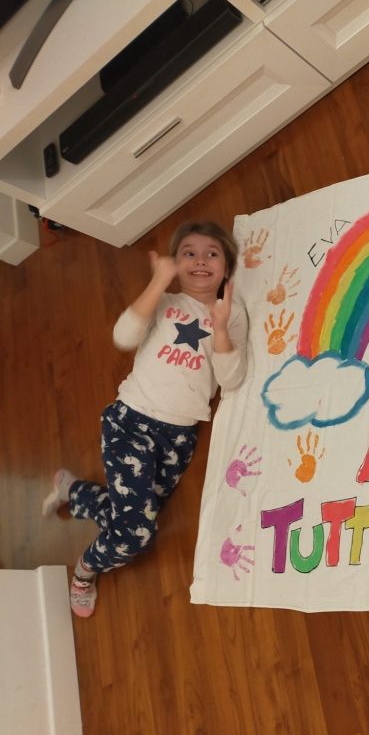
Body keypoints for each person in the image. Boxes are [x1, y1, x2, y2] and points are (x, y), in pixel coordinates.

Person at [41, 220, 249, 618]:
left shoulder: (232, 314)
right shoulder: (165, 301)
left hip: (179, 438)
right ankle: (84, 571)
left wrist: (221, 329)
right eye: (189, 253)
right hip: (130, 423)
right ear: (175, 263)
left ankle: (75, 491)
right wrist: (156, 284)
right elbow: (123, 336)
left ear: (227, 266)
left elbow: (232, 379)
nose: (200, 260)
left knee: (135, 521)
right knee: (136, 533)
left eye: (212, 254)